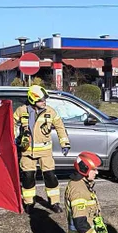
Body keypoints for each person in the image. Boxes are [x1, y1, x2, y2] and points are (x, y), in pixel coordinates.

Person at [14, 85, 70, 213]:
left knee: (50, 177)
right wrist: (15, 136)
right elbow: (11, 122)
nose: (44, 102)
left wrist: (65, 144)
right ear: (32, 100)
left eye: (44, 99)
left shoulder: (50, 112)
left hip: (45, 152)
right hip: (27, 151)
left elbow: (60, 127)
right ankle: (29, 203)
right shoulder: (22, 110)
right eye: (41, 100)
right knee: (28, 178)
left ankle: (54, 202)